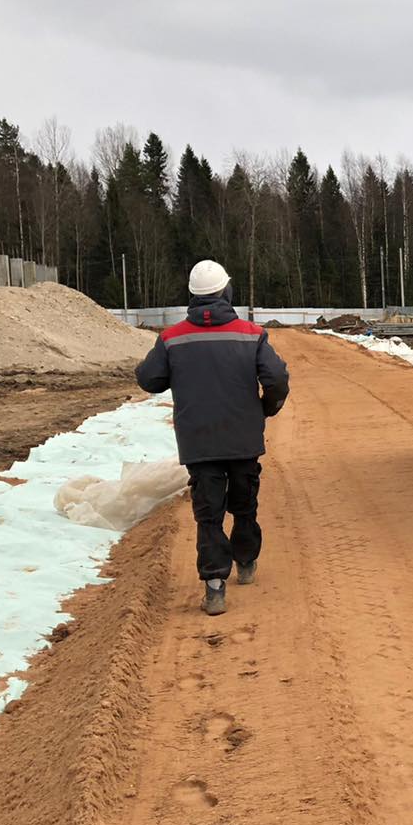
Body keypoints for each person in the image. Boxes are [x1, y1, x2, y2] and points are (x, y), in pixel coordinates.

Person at [135, 260, 290, 616]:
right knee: (244, 505)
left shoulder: (172, 338)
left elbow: (149, 380)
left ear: (193, 296)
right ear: (226, 292)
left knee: (209, 516)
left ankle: (215, 586)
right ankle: (247, 563)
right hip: (243, 439)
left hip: (199, 443)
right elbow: (277, 379)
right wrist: (266, 409)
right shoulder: (251, 333)